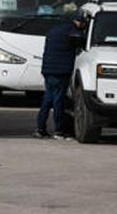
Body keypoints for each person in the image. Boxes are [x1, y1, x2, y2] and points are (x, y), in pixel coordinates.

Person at [36, 10, 86, 139]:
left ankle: (40, 129)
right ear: (78, 21)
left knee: (47, 99)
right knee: (58, 101)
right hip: (61, 71)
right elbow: (82, 42)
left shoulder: (54, 30)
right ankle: (59, 130)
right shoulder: (72, 31)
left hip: (48, 69)